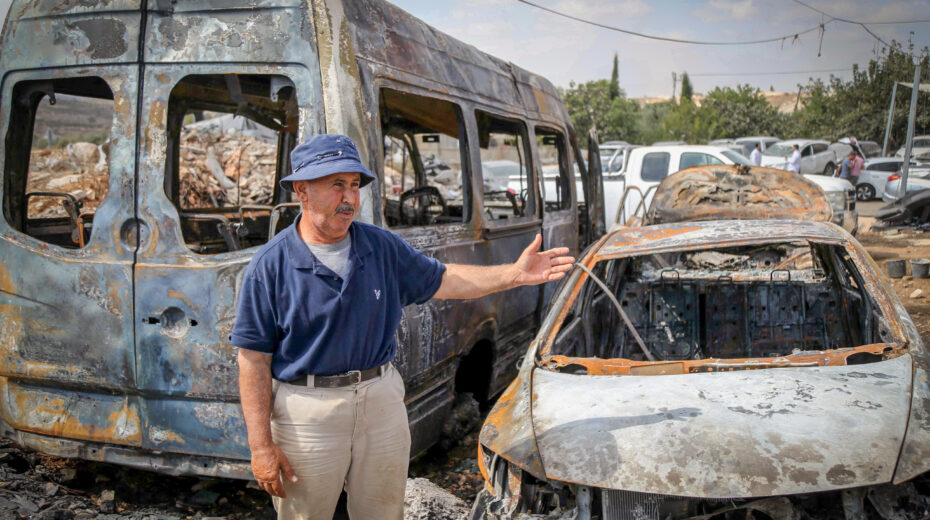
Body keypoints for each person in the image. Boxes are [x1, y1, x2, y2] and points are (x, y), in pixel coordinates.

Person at [231, 134, 575, 520]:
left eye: (354, 185)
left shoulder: (380, 247)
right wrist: (260, 446)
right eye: (336, 185)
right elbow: (253, 360)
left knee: (383, 512)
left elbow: (446, 280)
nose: (349, 198)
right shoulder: (270, 266)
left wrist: (512, 275)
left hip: (380, 400)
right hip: (307, 412)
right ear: (302, 190)